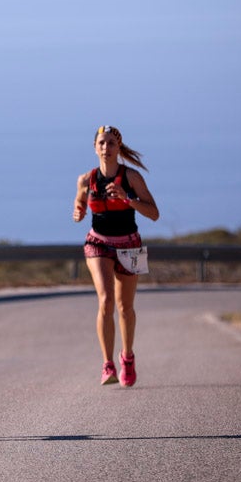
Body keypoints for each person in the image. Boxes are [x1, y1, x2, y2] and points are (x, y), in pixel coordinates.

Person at [72, 125, 159, 388]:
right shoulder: (86, 179)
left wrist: (127, 198)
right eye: (101, 143)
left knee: (125, 308)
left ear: (118, 147)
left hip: (130, 244)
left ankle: (127, 357)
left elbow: (154, 213)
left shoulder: (132, 177)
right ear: (94, 147)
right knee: (106, 300)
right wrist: (78, 211)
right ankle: (107, 364)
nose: (106, 148)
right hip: (98, 243)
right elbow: (79, 201)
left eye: (111, 143)